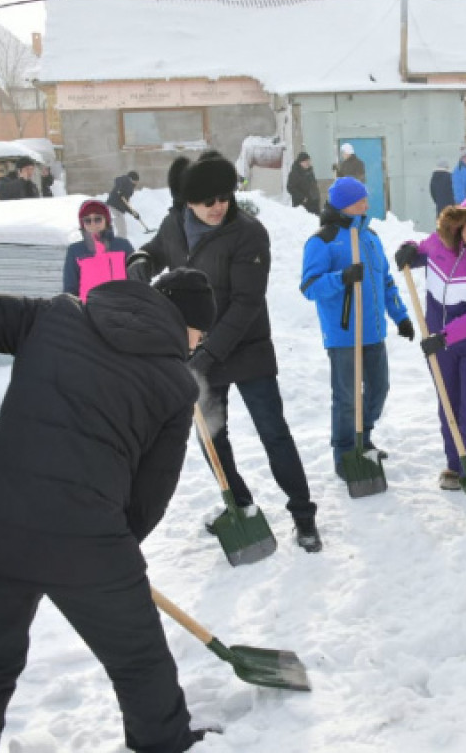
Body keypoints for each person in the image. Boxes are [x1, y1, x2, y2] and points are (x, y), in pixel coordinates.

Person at [0, 268, 217, 753]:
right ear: (187, 325)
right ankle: (163, 743)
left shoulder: (57, 315)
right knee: (138, 660)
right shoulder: (176, 386)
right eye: (201, 334)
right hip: (89, 538)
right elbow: (150, 494)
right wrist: (110, 558)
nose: (199, 345)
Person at [128, 153, 322, 553]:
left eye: (224, 197)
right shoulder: (174, 224)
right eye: (208, 201)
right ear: (189, 202)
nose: (218, 206)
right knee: (212, 438)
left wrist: (207, 354)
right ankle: (241, 506)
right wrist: (142, 259)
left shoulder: (248, 233)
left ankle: (303, 515)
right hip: (199, 351)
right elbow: (159, 249)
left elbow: (247, 304)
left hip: (246, 350)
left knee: (273, 433)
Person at [300, 176, 414, 478]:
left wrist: (400, 316)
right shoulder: (322, 240)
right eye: (359, 201)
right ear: (343, 205)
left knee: (379, 389)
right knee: (347, 397)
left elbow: (385, 281)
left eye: (365, 199)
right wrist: (341, 277)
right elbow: (310, 287)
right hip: (343, 335)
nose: (366, 204)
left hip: (373, 332)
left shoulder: (370, 237)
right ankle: (344, 450)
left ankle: (363, 437)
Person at [394, 189, 466, 490]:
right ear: (460, 221)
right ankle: (455, 466)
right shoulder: (439, 243)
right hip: (439, 344)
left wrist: (445, 337)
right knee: (448, 405)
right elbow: (419, 249)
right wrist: (408, 249)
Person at [62, 199, 135, 299]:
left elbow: (136, 281)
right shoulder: (75, 251)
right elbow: (70, 289)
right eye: (87, 220)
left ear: (106, 220)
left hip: (122, 306)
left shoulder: (122, 246)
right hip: (89, 307)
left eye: (98, 219)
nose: (93, 224)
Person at [107, 170, 145, 236]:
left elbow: (125, 204)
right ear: (132, 179)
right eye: (136, 181)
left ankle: (116, 242)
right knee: (122, 232)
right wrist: (119, 189)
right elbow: (119, 181)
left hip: (116, 209)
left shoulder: (129, 188)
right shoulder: (125, 181)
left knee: (122, 231)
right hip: (114, 208)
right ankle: (118, 242)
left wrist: (133, 213)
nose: (137, 183)